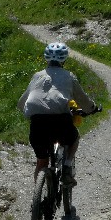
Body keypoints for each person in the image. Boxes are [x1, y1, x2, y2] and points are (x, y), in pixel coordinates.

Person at [17, 41, 98, 185]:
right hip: (61, 122)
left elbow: (21, 103)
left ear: (46, 58)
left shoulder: (37, 76)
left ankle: (38, 200)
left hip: (37, 125)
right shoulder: (69, 76)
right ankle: (66, 167)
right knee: (74, 138)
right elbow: (82, 99)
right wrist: (92, 108)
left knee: (42, 161)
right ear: (64, 59)